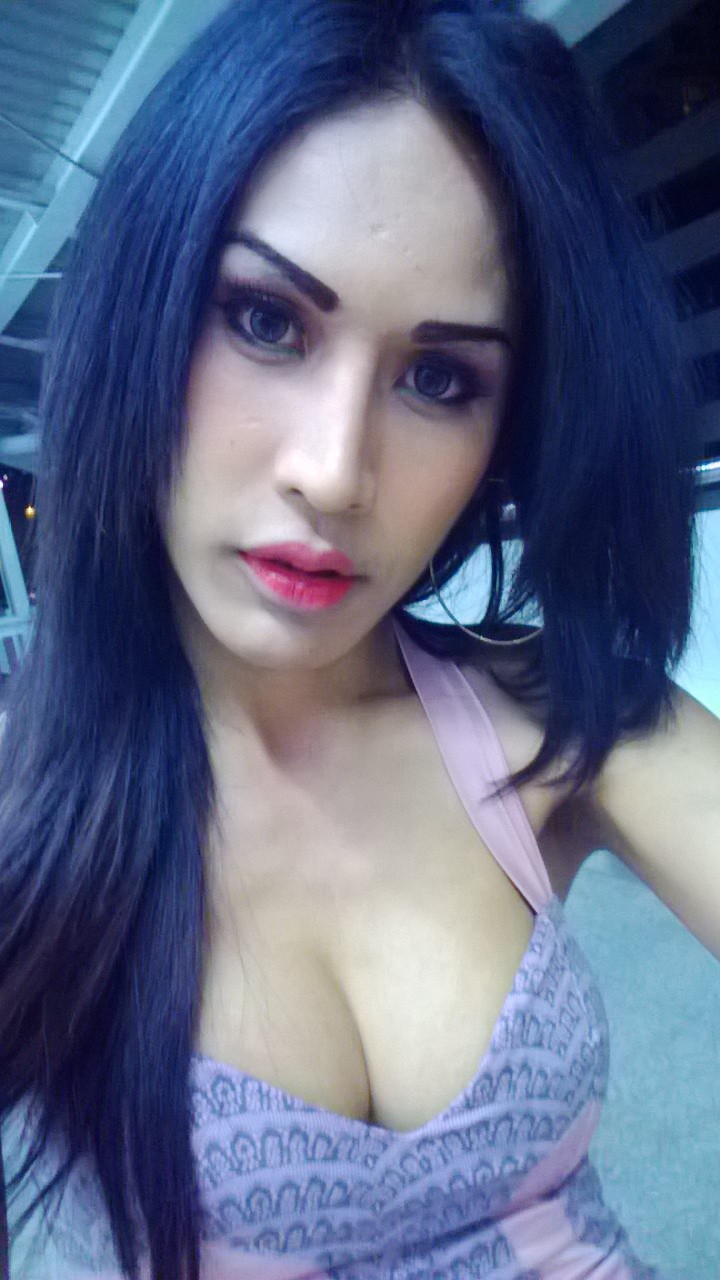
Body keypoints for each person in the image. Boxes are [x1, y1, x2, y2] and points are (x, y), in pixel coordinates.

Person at [0, 1, 717, 1277]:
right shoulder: (23, 803)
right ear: (139, 311)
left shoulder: (552, 714)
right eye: (266, 320)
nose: (336, 472)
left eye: (441, 379)